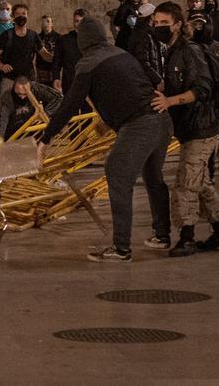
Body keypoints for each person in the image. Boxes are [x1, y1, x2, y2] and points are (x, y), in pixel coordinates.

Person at [38, 18, 171, 262]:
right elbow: (130, 87)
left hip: (139, 123)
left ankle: (121, 248)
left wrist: (45, 139)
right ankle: (162, 235)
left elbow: (69, 105)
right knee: (153, 178)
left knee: (117, 172)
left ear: (83, 41)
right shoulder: (121, 53)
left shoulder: (88, 63)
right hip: (161, 119)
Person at [150, 2, 219, 257]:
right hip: (189, 128)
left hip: (202, 127)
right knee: (201, 182)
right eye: (155, 23)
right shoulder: (172, 52)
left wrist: (169, 101)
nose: (158, 27)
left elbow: (202, 89)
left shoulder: (189, 51)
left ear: (177, 24)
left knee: (186, 183)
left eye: (163, 23)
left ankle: (187, 236)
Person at [0, 4, 49, 96]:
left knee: (29, 108)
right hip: (10, 80)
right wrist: (2, 66)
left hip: (28, 80)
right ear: (13, 16)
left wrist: (57, 56)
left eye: (24, 13)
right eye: (18, 14)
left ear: (27, 16)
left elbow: (44, 54)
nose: (21, 16)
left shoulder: (33, 35)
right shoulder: (6, 35)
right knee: (6, 107)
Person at [0, 75, 60, 140]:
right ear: (14, 88)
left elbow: (58, 98)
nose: (22, 97)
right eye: (19, 94)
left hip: (34, 130)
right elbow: (2, 121)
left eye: (25, 94)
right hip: (13, 133)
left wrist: (46, 113)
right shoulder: (7, 97)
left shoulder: (36, 88)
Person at [126, 3, 166, 86]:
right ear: (152, 16)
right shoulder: (143, 35)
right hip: (147, 83)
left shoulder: (146, 33)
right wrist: (158, 80)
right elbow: (142, 62)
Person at [53, 9, 87, 94]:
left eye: (82, 21)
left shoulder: (93, 41)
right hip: (69, 83)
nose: (79, 24)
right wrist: (56, 77)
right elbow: (57, 60)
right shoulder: (64, 40)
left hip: (88, 83)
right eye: (76, 21)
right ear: (73, 22)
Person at [35, 15, 61, 87]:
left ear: (52, 24)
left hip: (53, 70)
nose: (46, 24)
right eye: (43, 22)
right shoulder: (37, 37)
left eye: (48, 21)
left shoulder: (59, 37)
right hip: (41, 70)